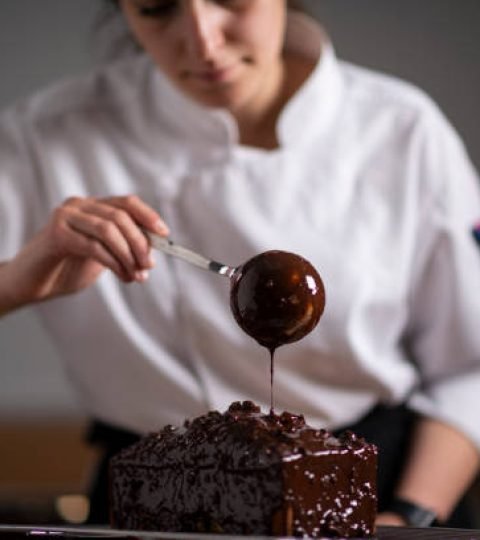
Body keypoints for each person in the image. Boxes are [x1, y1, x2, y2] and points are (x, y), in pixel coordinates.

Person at [1, 0, 479, 529]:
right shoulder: (43, 136)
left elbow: (469, 371)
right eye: (158, 10)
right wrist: (19, 280)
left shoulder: (400, 130)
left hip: (370, 491)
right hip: (151, 500)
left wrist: (408, 517)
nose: (204, 42)